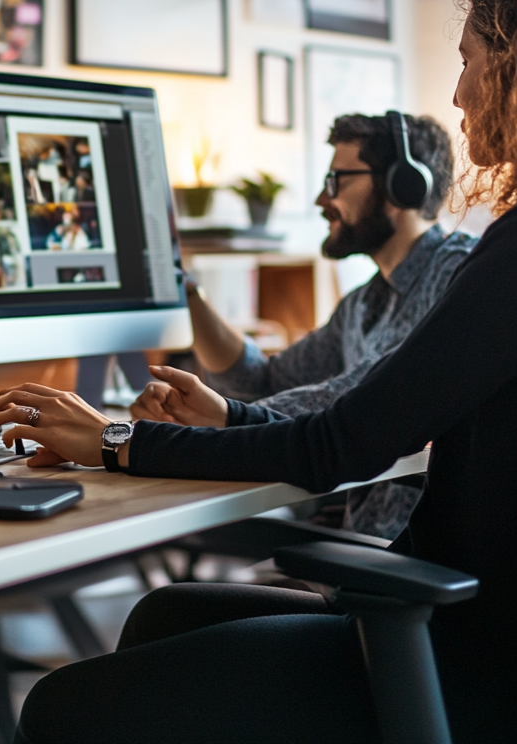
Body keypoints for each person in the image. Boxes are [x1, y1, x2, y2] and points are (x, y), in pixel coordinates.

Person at [0, 0, 517, 744]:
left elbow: (344, 442)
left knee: (61, 706)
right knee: (165, 613)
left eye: (472, 61)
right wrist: (217, 418)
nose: (459, 94)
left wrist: (114, 442)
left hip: (482, 659)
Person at [135, 113, 476, 536]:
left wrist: (214, 422)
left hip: (412, 556)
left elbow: (354, 396)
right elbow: (263, 383)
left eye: (336, 181)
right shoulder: (363, 304)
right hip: (363, 547)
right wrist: (189, 293)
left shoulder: (460, 275)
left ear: (399, 185)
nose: (320, 199)